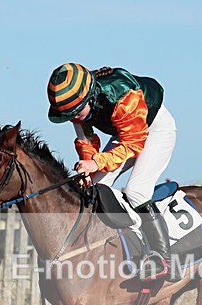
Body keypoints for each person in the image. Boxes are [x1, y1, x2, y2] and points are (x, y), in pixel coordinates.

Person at [46, 62, 178, 281]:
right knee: (94, 186)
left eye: (76, 112)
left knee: (136, 191)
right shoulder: (75, 106)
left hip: (155, 129)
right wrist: (88, 167)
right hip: (124, 132)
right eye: (69, 115)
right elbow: (87, 141)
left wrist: (97, 163)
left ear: (90, 98)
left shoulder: (124, 97)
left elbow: (134, 144)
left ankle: (164, 259)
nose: (73, 117)